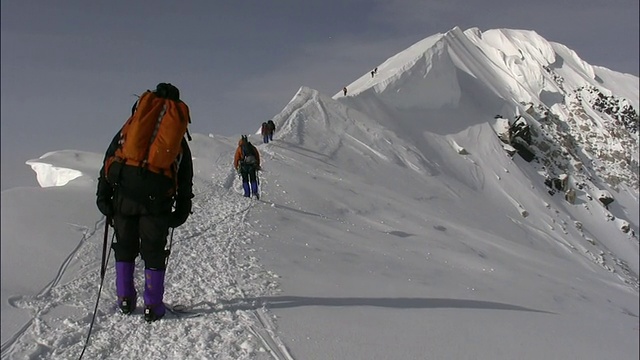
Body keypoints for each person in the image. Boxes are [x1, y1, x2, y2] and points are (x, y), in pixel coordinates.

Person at [96, 83, 194, 322]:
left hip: (123, 196)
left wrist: (103, 196)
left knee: (125, 246)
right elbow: (184, 178)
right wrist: (181, 210)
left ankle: (125, 300)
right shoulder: (177, 141)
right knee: (153, 251)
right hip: (157, 202)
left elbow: (109, 159)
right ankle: (153, 306)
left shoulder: (130, 129)